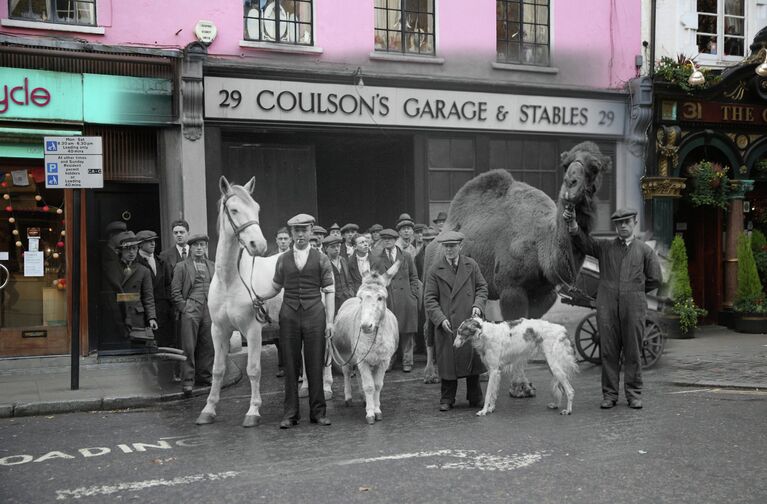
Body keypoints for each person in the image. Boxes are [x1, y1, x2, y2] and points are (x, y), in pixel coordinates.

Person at [564, 207, 662, 410]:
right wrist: (572, 224)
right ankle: (609, 395)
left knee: (633, 351)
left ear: (635, 222)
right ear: (615, 226)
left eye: (626, 222)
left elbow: (654, 279)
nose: (623, 226)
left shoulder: (645, 251)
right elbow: (584, 242)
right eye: (619, 223)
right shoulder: (604, 248)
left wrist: (633, 290)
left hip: (634, 306)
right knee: (608, 351)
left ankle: (634, 395)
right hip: (606, 305)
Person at [261, 214, 335, 429]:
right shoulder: (282, 259)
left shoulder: (321, 259)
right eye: (296, 231)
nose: (300, 235)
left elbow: (329, 291)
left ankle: (318, 413)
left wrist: (329, 322)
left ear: (311, 232)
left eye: (304, 230)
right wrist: (260, 296)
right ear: (291, 234)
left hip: (315, 314)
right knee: (291, 366)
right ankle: (290, 414)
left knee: (315, 364)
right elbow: (275, 287)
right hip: (289, 315)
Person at [424, 231, 488, 411]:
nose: (449, 250)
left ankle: (475, 396)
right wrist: (440, 318)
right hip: (448, 325)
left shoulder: (471, 265)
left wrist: (478, 305)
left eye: (453, 246)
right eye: (446, 246)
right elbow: (429, 299)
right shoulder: (435, 269)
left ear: (460, 247)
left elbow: (482, 287)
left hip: (470, 322)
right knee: (448, 364)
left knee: (473, 360)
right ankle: (447, 398)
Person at [170, 233, 215, 395]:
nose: (199, 248)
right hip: (191, 308)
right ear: (190, 248)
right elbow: (175, 291)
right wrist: (184, 307)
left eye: (202, 245)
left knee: (208, 344)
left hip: (208, 308)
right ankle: (188, 380)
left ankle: (205, 376)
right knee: (188, 346)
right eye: (196, 245)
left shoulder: (212, 265)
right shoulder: (182, 266)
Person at [374, 229, 420, 372]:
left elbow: (414, 277)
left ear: (395, 240)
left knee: (407, 331)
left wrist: (413, 294)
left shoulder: (405, 256)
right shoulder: (377, 259)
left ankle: (408, 361)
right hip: (389, 300)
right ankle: (390, 360)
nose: (387, 241)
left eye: (390, 238)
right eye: (384, 239)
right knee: (389, 331)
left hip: (406, 299)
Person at [105, 231, 158, 342]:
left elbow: (148, 297)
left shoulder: (143, 271)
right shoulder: (111, 268)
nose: (132, 252)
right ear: (120, 251)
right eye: (128, 249)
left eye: (134, 249)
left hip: (135, 316)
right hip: (116, 313)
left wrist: (151, 318)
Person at [136, 230, 174, 349]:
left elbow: (169, 284)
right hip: (143, 311)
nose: (153, 244)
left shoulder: (162, 262)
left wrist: (168, 304)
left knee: (164, 344)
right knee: (146, 345)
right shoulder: (135, 262)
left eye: (154, 241)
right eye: (149, 242)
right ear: (140, 245)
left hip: (163, 311)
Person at [324, 235, 355, 311]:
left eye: (338, 246)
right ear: (326, 248)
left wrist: (351, 292)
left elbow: (349, 279)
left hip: (347, 297)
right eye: (333, 247)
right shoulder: (324, 263)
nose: (336, 249)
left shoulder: (343, 260)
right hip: (333, 299)